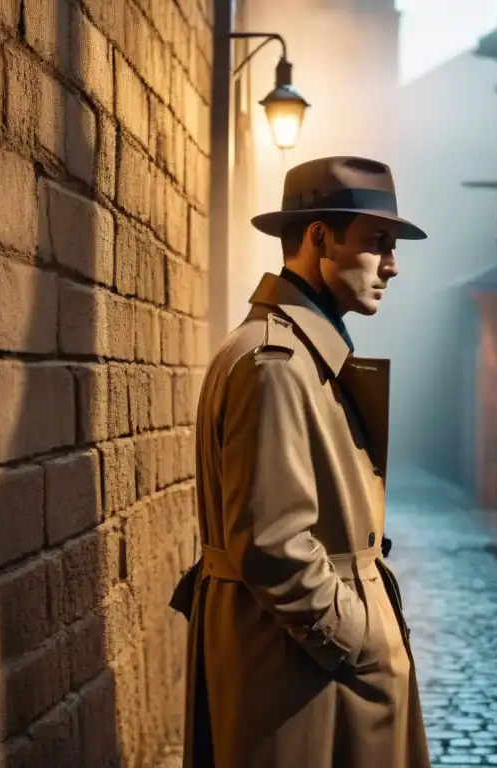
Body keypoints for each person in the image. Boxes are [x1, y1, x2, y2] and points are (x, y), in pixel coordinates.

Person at [169, 156, 430, 768]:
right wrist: (356, 639)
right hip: (299, 677)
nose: (391, 265)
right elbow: (272, 541)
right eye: (377, 242)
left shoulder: (296, 353)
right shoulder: (277, 364)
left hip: (305, 670)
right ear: (319, 237)